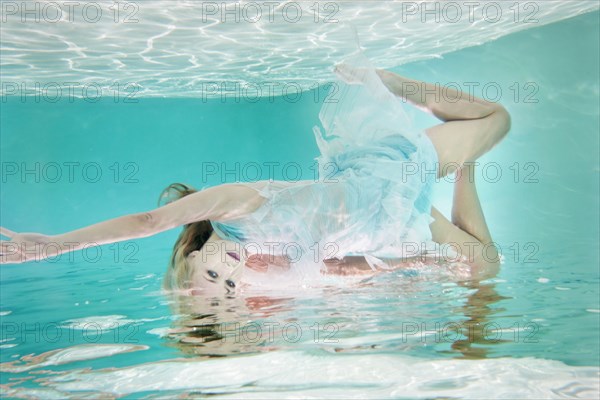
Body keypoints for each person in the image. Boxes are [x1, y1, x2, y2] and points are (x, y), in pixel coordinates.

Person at [0, 55, 511, 294]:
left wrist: (51, 246)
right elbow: (346, 267)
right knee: (485, 266)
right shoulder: (267, 269)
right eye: (228, 286)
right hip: (394, 224)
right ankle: (465, 169)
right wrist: (414, 262)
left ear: (194, 254)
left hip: (386, 177)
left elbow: (146, 221)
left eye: (212, 272)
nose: (231, 273)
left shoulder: (236, 205)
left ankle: (396, 86)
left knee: (497, 119)